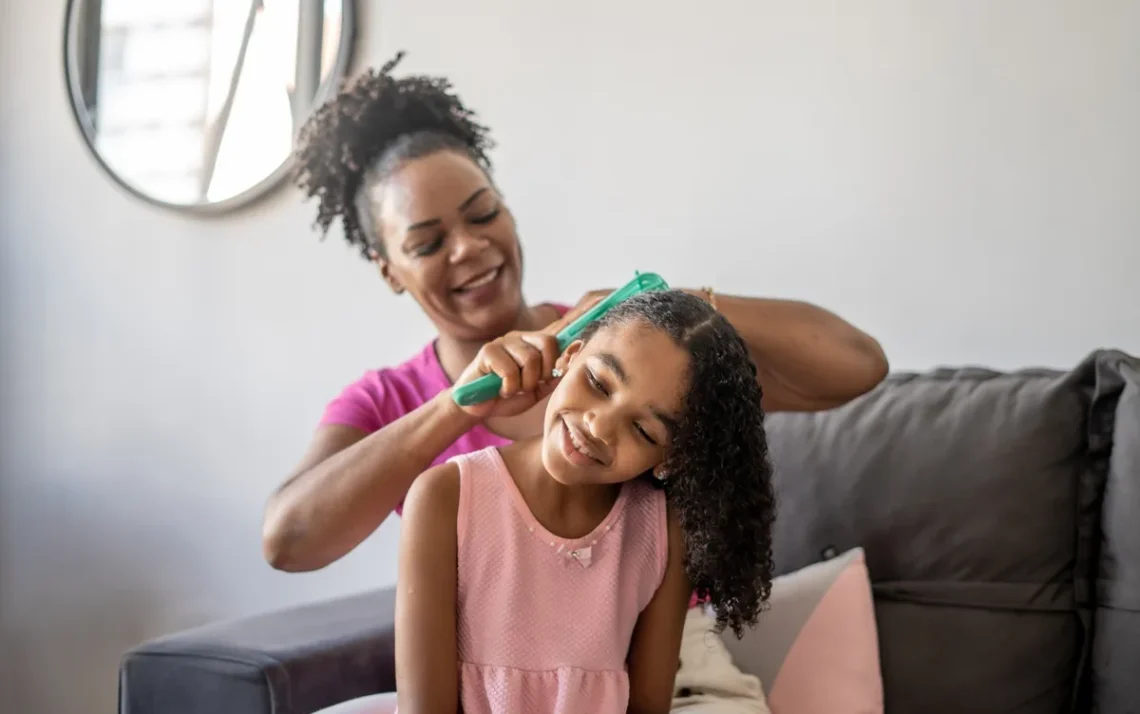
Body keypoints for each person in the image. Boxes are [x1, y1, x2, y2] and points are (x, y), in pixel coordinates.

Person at [264, 52, 889, 712]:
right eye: (426, 242)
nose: (469, 248)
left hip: (664, 665)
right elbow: (289, 541)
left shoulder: (623, 351)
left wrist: (667, 307)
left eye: (482, 215)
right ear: (389, 268)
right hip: (493, 678)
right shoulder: (388, 407)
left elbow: (855, 365)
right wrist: (457, 406)